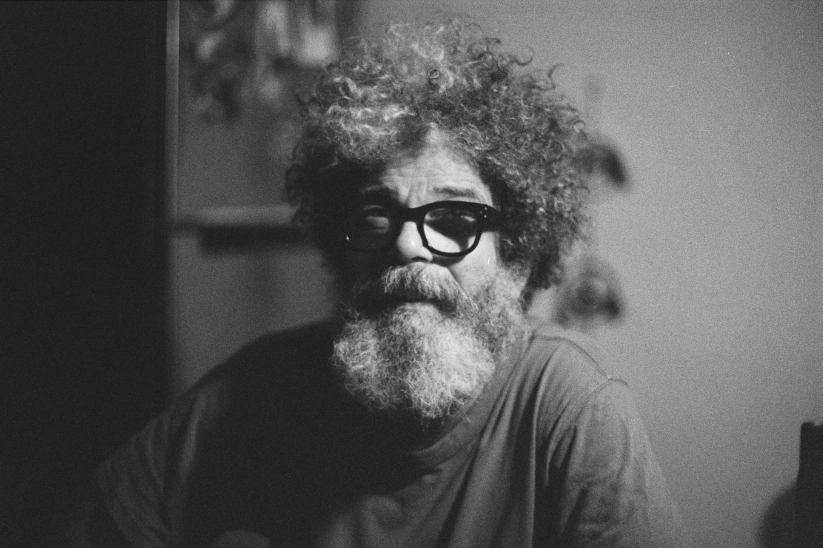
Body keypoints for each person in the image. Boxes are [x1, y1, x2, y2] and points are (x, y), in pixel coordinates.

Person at [70, 19, 688, 548]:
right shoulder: (263, 389)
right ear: (340, 250)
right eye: (376, 215)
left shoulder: (572, 409)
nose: (408, 244)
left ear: (516, 259)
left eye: (454, 220)